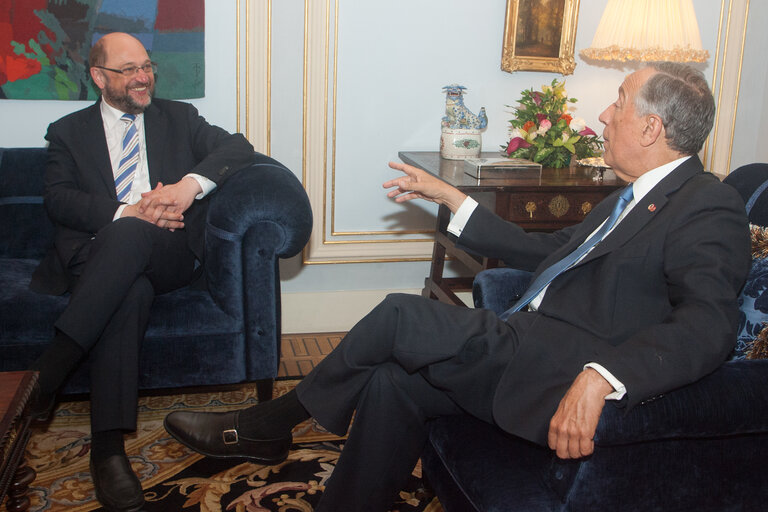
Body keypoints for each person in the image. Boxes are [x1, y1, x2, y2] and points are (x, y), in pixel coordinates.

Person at [164, 63, 751, 511]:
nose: (604, 115)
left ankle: (269, 425)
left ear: (651, 126)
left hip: (560, 365)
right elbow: (549, 251)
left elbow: (709, 322)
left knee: (401, 316)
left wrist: (603, 377)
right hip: (523, 344)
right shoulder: (625, 197)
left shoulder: (707, 204)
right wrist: (453, 199)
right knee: (395, 382)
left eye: (618, 103)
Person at [28, 32, 255, 512]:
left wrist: (187, 187)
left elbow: (238, 148)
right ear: (98, 76)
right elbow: (58, 198)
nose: (143, 76)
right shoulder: (67, 131)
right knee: (128, 287)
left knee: (134, 243)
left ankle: (47, 377)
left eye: (146, 65)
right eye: (129, 69)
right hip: (95, 254)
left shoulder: (180, 117)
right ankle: (109, 450)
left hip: (168, 252)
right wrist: (125, 214)